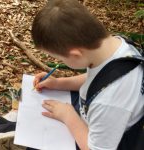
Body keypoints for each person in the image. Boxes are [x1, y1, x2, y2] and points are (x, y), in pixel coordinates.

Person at [31, 0, 144, 150]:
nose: (58, 61)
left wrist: (68, 116)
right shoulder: (116, 46)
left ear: (75, 55)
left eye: (59, 58)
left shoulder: (109, 101)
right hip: (93, 113)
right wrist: (58, 83)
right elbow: (100, 79)